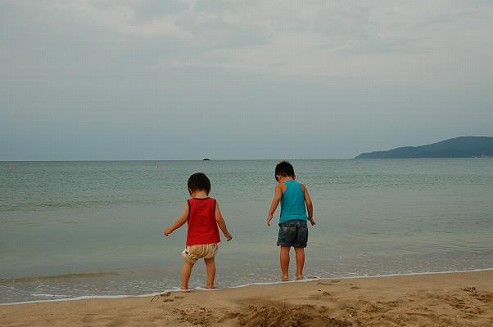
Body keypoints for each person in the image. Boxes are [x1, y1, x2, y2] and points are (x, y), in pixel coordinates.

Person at [164, 172, 233, 290]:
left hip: (194, 243)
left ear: (190, 190)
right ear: (209, 188)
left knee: (188, 263)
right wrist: (226, 233)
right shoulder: (213, 202)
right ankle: (210, 285)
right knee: (210, 262)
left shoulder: (189, 203)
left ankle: (184, 287)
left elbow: (182, 219)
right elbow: (219, 219)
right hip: (210, 243)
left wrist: (170, 229)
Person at [266, 161, 315, 281]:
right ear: (294, 175)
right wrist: (310, 216)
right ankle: (299, 274)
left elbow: (277, 198)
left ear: (278, 176)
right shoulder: (302, 186)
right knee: (300, 249)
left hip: (287, 222)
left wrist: (270, 214)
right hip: (302, 222)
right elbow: (309, 202)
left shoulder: (280, 185)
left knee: (284, 248)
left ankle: (285, 275)